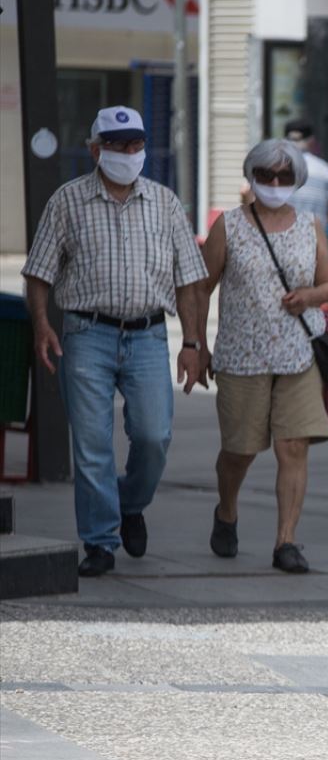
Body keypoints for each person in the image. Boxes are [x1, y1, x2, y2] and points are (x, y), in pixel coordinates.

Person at [22, 105, 207, 578]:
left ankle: (130, 504)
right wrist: (42, 323)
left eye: (135, 144)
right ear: (94, 149)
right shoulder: (67, 201)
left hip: (147, 336)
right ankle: (100, 542)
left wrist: (192, 342)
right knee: (91, 445)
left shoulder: (165, 203)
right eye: (117, 144)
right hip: (86, 335)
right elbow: (39, 273)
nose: (127, 152)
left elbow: (190, 279)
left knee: (154, 436)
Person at [197, 139, 328, 574]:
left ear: (296, 179)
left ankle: (286, 542)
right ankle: (227, 509)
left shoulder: (310, 224)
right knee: (239, 450)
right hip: (242, 355)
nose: (274, 184)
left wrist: (309, 297)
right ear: (251, 178)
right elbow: (203, 287)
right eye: (265, 176)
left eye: (283, 176)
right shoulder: (230, 226)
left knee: (293, 446)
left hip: (298, 354)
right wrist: (197, 344)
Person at [283, 118, 328, 230]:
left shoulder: (274, 169)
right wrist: (321, 222)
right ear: (311, 141)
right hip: (316, 242)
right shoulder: (325, 170)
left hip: (281, 241)